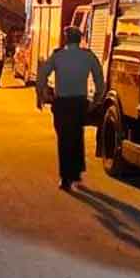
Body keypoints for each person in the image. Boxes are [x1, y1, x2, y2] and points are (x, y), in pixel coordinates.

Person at [36, 26, 104, 191]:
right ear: (80, 39)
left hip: (62, 104)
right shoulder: (88, 56)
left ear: (66, 39)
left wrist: (42, 95)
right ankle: (76, 173)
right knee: (76, 136)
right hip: (80, 103)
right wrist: (95, 101)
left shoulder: (57, 56)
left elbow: (42, 76)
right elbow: (100, 82)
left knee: (64, 139)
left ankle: (66, 178)